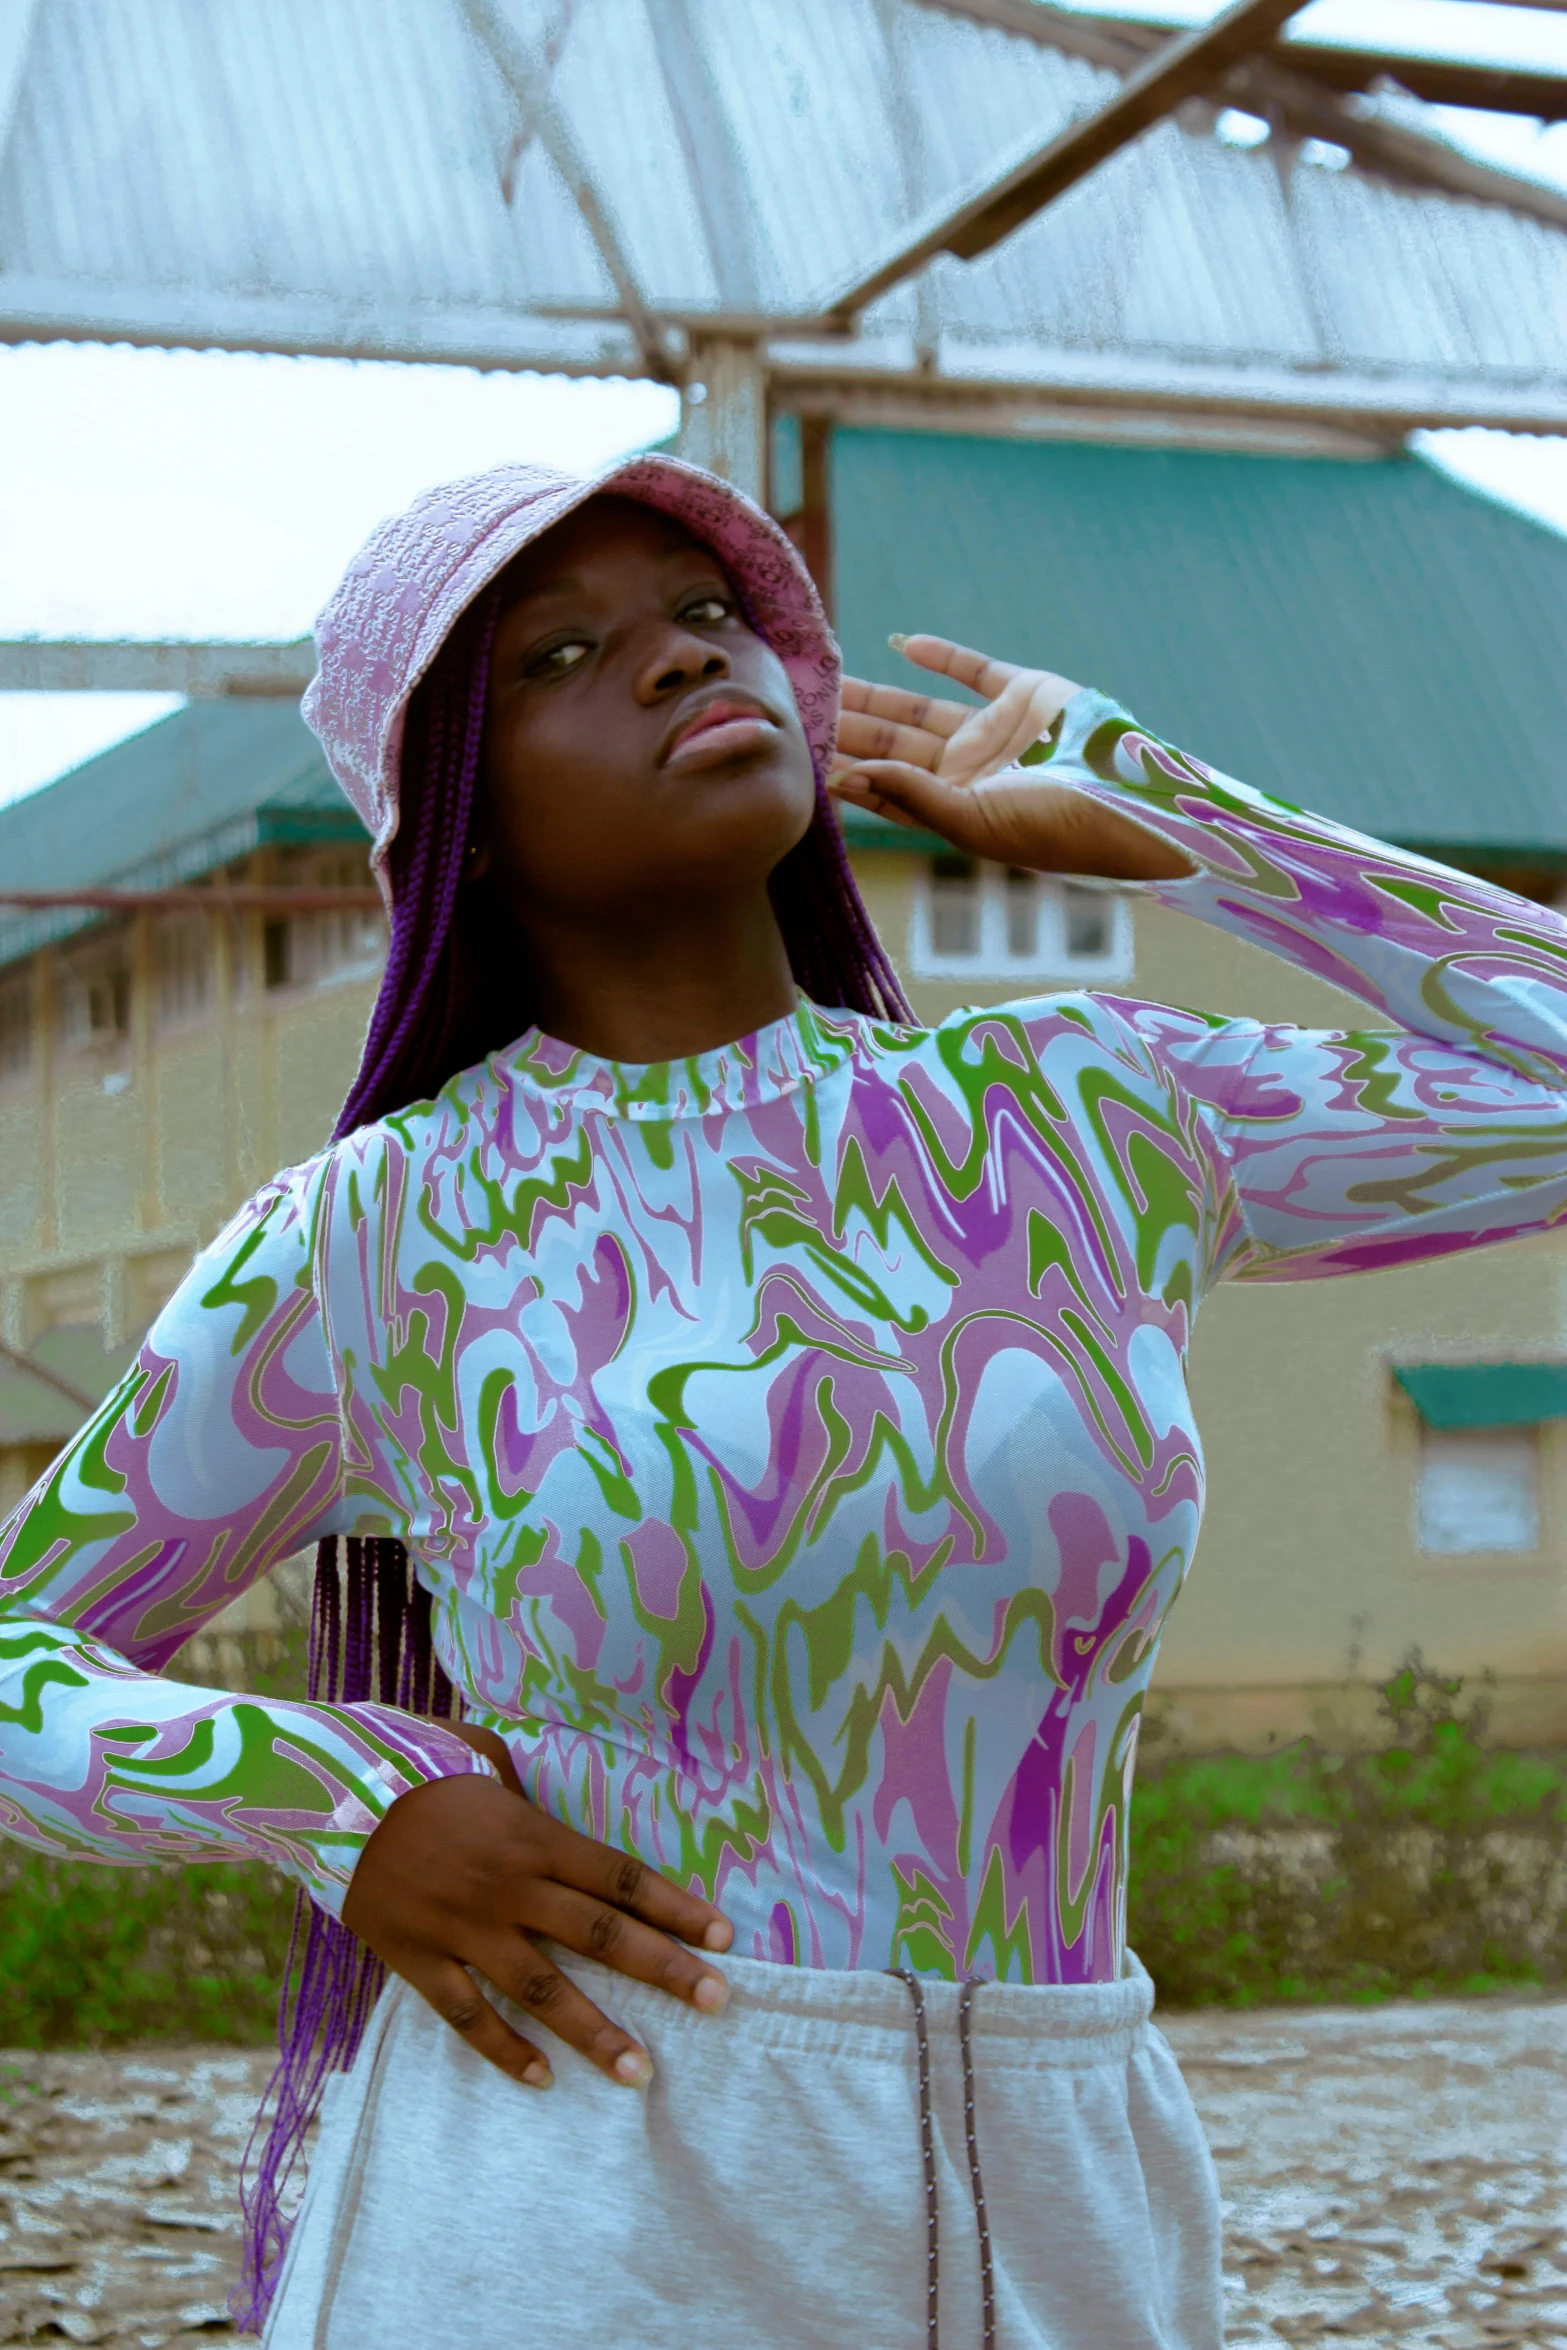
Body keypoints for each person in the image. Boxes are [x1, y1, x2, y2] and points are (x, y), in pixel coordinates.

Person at [3, 454, 1565, 2350]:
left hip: (1061, 2179)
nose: (674, 662)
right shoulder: (380, 1231)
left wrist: (1188, 818)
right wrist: (339, 1801)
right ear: (459, 823)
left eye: (707, 612)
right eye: (565, 651)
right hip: (579, 2201)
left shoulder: (1083, 1119)